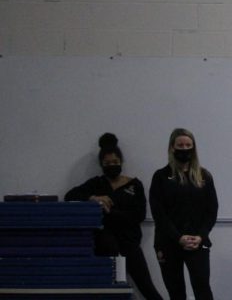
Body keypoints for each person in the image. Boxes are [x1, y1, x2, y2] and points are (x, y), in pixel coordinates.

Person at [64, 133, 164, 300]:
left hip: (129, 241)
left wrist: (112, 212)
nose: (112, 166)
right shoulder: (97, 184)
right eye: (107, 163)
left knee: (146, 286)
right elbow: (70, 196)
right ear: (101, 165)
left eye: (115, 163)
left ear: (121, 162)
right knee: (107, 290)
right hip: (104, 244)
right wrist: (93, 198)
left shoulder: (134, 185)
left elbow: (139, 215)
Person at [149, 128, 218, 300]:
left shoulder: (204, 176)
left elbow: (212, 211)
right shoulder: (161, 177)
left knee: (203, 290)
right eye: (180, 145)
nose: (184, 148)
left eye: (188, 145)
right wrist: (178, 237)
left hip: (197, 242)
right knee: (176, 292)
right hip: (168, 243)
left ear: (193, 148)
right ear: (172, 147)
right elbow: (159, 213)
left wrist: (201, 236)